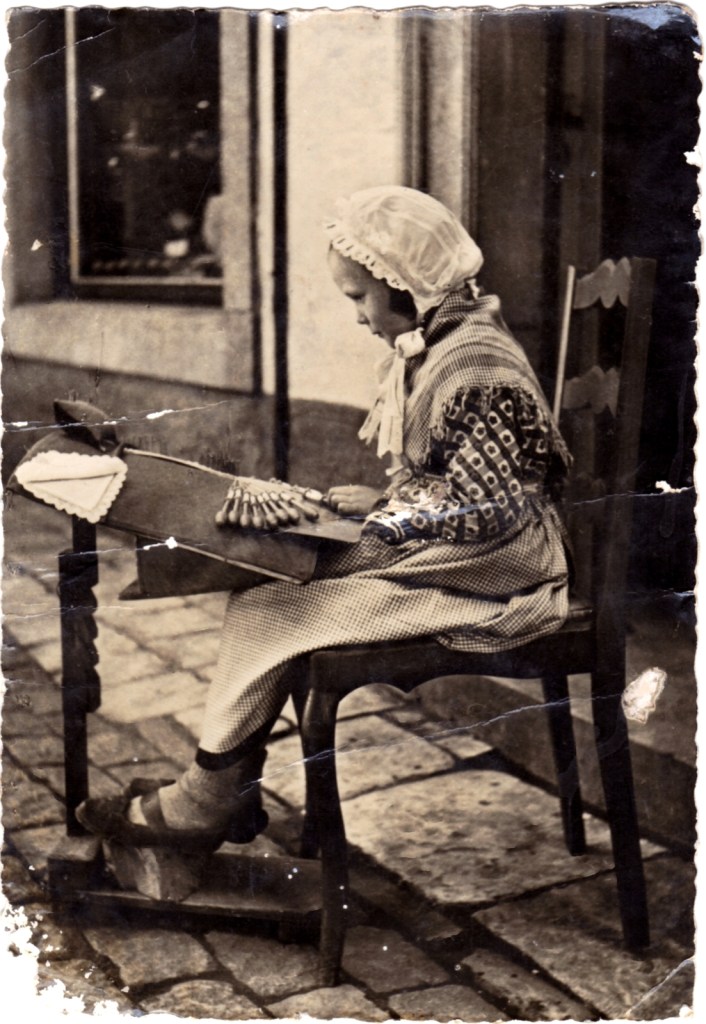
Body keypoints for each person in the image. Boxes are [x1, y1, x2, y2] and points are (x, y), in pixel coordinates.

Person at [77, 185, 571, 883]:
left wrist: (382, 515)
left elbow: (487, 506)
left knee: (279, 604)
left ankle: (206, 800)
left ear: (405, 282)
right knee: (273, 579)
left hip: (499, 567)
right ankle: (222, 787)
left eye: (360, 298)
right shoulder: (444, 343)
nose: (359, 315)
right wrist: (381, 504)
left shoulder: (478, 365)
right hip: (461, 547)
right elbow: (452, 480)